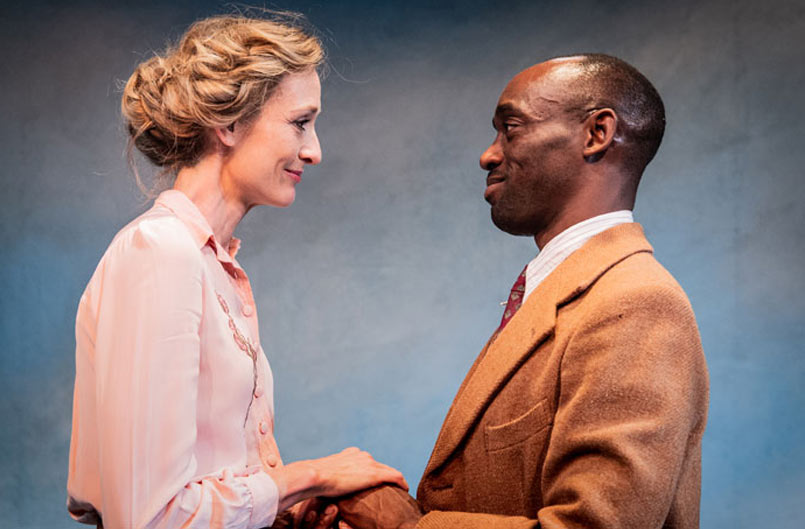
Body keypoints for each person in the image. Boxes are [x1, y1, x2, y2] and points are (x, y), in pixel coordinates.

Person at [335, 54, 709, 529]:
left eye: (510, 128)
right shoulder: (566, 294)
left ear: (596, 134)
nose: (488, 155)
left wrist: (406, 526)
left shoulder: (634, 303)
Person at [66, 14, 407, 529]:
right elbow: (152, 518)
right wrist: (312, 477)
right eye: (300, 123)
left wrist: (281, 510)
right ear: (227, 125)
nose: (314, 151)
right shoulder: (159, 251)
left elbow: (206, 486)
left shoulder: (215, 266)